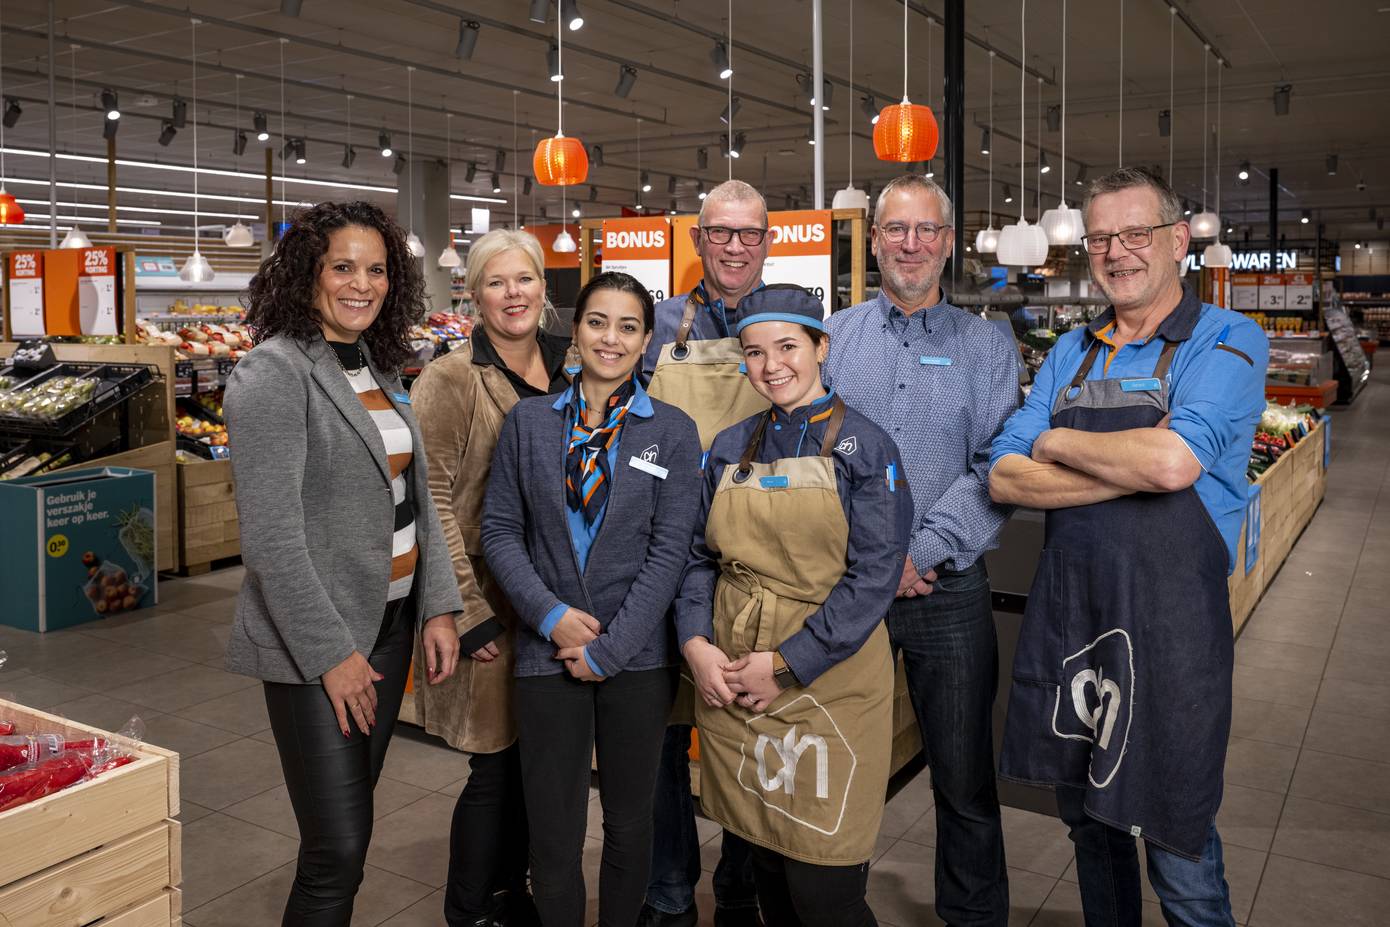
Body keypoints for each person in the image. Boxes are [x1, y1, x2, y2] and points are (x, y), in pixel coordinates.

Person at [989, 167, 1267, 927]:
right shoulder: (1074, 350)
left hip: (1173, 637)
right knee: (1088, 822)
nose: (1117, 252)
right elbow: (1008, 476)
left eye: (1135, 233)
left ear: (1178, 240)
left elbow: (1175, 463)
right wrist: (1112, 460)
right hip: (1076, 622)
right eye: (1102, 237)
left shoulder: (1228, 338)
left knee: (1177, 842)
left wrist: (1058, 438)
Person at [223, 200, 463, 926]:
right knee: (339, 845)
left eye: (377, 269)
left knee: (346, 836)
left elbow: (415, 494)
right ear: (307, 275)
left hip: (386, 628)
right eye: (343, 267)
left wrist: (439, 603)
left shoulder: (377, 367)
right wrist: (334, 655)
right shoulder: (272, 373)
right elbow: (272, 540)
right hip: (317, 646)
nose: (363, 283)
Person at [676, 285, 912, 927]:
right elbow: (697, 558)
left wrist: (783, 663)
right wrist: (696, 643)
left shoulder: (867, 449)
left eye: (788, 346)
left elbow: (873, 578)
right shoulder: (728, 446)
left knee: (824, 885)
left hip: (827, 684)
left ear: (821, 347)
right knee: (767, 863)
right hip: (734, 678)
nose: (771, 364)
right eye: (754, 352)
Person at [823, 174, 1019, 926]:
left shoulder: (985, 346)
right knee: (845, 763)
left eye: (926, 229)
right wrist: (875, 556)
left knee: (963, 778)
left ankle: (973, 917)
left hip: (949, 590)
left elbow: (996, 467)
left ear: (947, 242)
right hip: (847, 587)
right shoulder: (835, 339)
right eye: (896, 229)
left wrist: (922, 550)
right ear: (874, 240)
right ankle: (833, 906)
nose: (911, 243)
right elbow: (814, 460)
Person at [481, 271, 703, 927]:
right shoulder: (528, 424)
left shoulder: (673, 430)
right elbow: (499, 529)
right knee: (552, 834)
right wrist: (551, 617)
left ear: (646, 340)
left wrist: (609, 648)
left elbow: (671, 551)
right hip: (545, 655)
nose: (611, 337)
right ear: (575, 330)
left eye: (628, 325)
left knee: (632, 825)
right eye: (598, 321)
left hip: (636, 659)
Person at [411, 228, 574, 927]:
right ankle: (471, 908)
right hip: (488, 595)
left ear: (544, 287)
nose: (514, 294)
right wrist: (463, 606)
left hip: (557, 595)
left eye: (525, 279)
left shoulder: (570, 366)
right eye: (497, 282)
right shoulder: (450, 379)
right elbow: (433, 497)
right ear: (473, 294)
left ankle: (515, 892)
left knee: (536, 765)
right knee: (493, 765)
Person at [640, 179, 773, 927]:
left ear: (767, 241)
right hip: (666, 557)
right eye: (718, 233)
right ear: (697, 240)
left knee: (749, 727)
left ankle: (740, 884)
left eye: (747, 234)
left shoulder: (792, 323)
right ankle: (667, 887)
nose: (732, 246)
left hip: (759, 563)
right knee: (664, 734)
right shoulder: (657, 325)